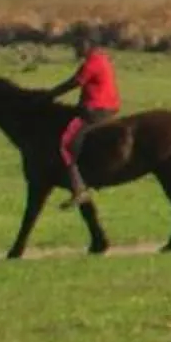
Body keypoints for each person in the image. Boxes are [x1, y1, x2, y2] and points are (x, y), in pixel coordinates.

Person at [47, 34, 122, 210]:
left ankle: (78, 188)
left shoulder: (92, 63)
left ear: (87, 44)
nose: (75, 49)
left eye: (77, 45)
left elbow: (75, 82)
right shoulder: (102, 59)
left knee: (65, 144)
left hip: (95, 110)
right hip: (108, 107)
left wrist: (50, 95)